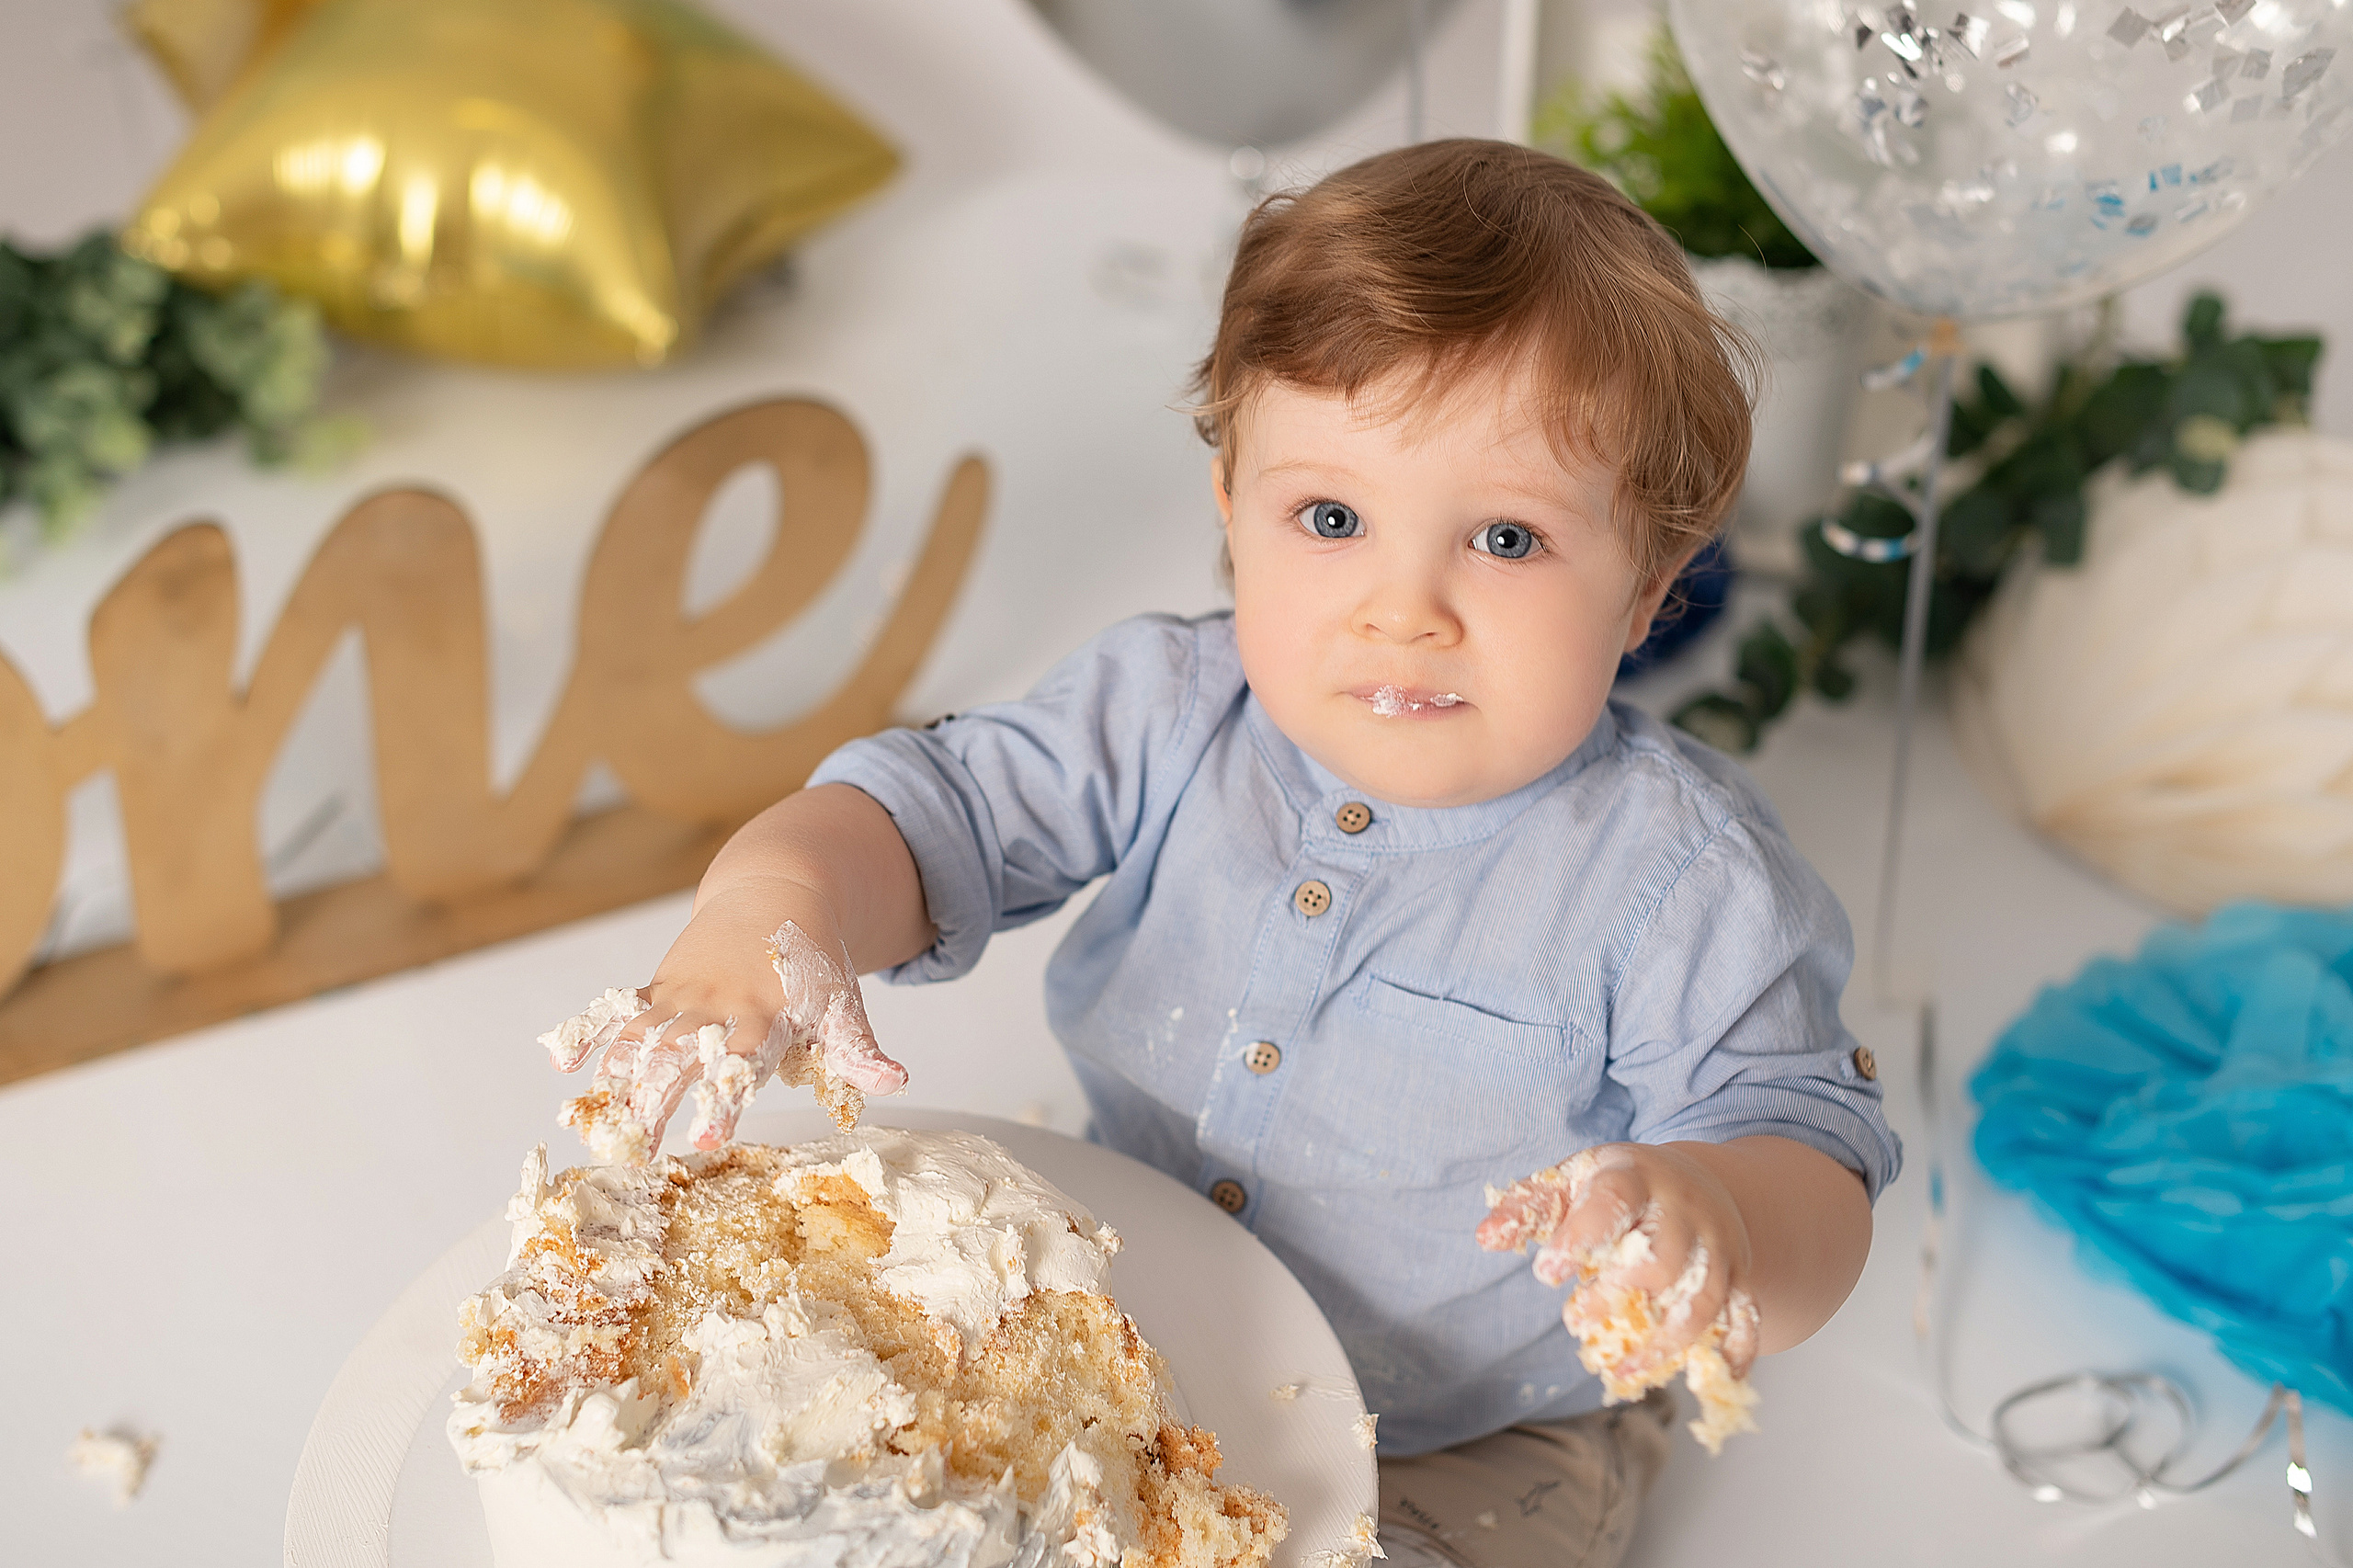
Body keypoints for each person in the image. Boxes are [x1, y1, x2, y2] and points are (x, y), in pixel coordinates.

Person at [543, 139, 1901, 1568]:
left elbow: (1806, 1150)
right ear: (1233, 518)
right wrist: (781, 899)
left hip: (1472, 1422)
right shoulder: (1162, 712)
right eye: (1330, 517)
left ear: (1649, 591)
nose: (1404, 607)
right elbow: (930, 812)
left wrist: (1720, 1225)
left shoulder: (1680, 875)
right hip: (1124, 1305)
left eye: (1506, 536)